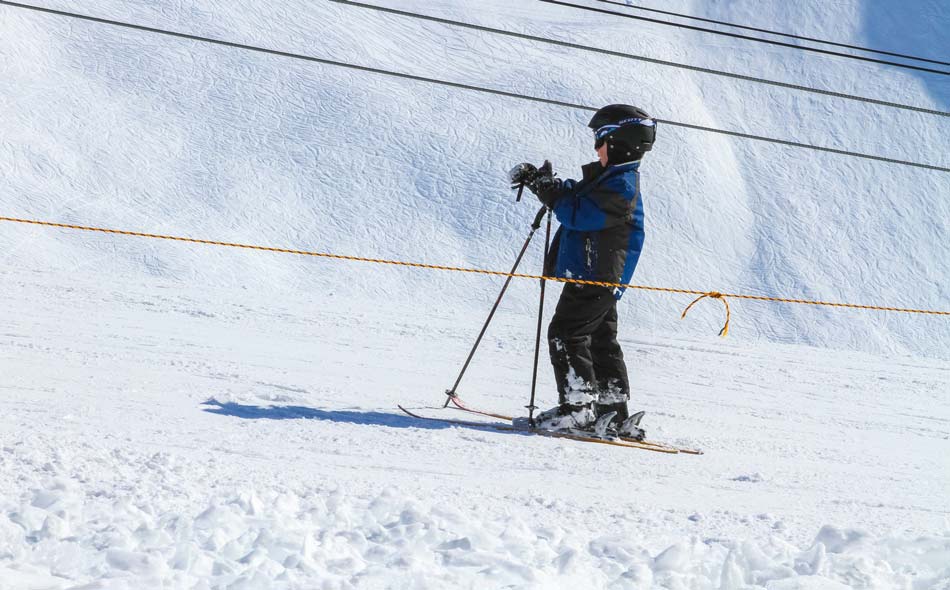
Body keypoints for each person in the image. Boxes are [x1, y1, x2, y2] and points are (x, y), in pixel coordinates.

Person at [509, 104, 656, 439]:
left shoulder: (621, 187)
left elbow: (580, 215)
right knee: (601, 341)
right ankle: (611, 410)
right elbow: (577, 197)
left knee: (566, 334)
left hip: (595, 276)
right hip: (598, 276)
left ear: (620, 142)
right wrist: (546, 185)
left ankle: (577, 411)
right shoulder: (613, 180)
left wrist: (550, 193)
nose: (596, 148)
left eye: (600, 140)